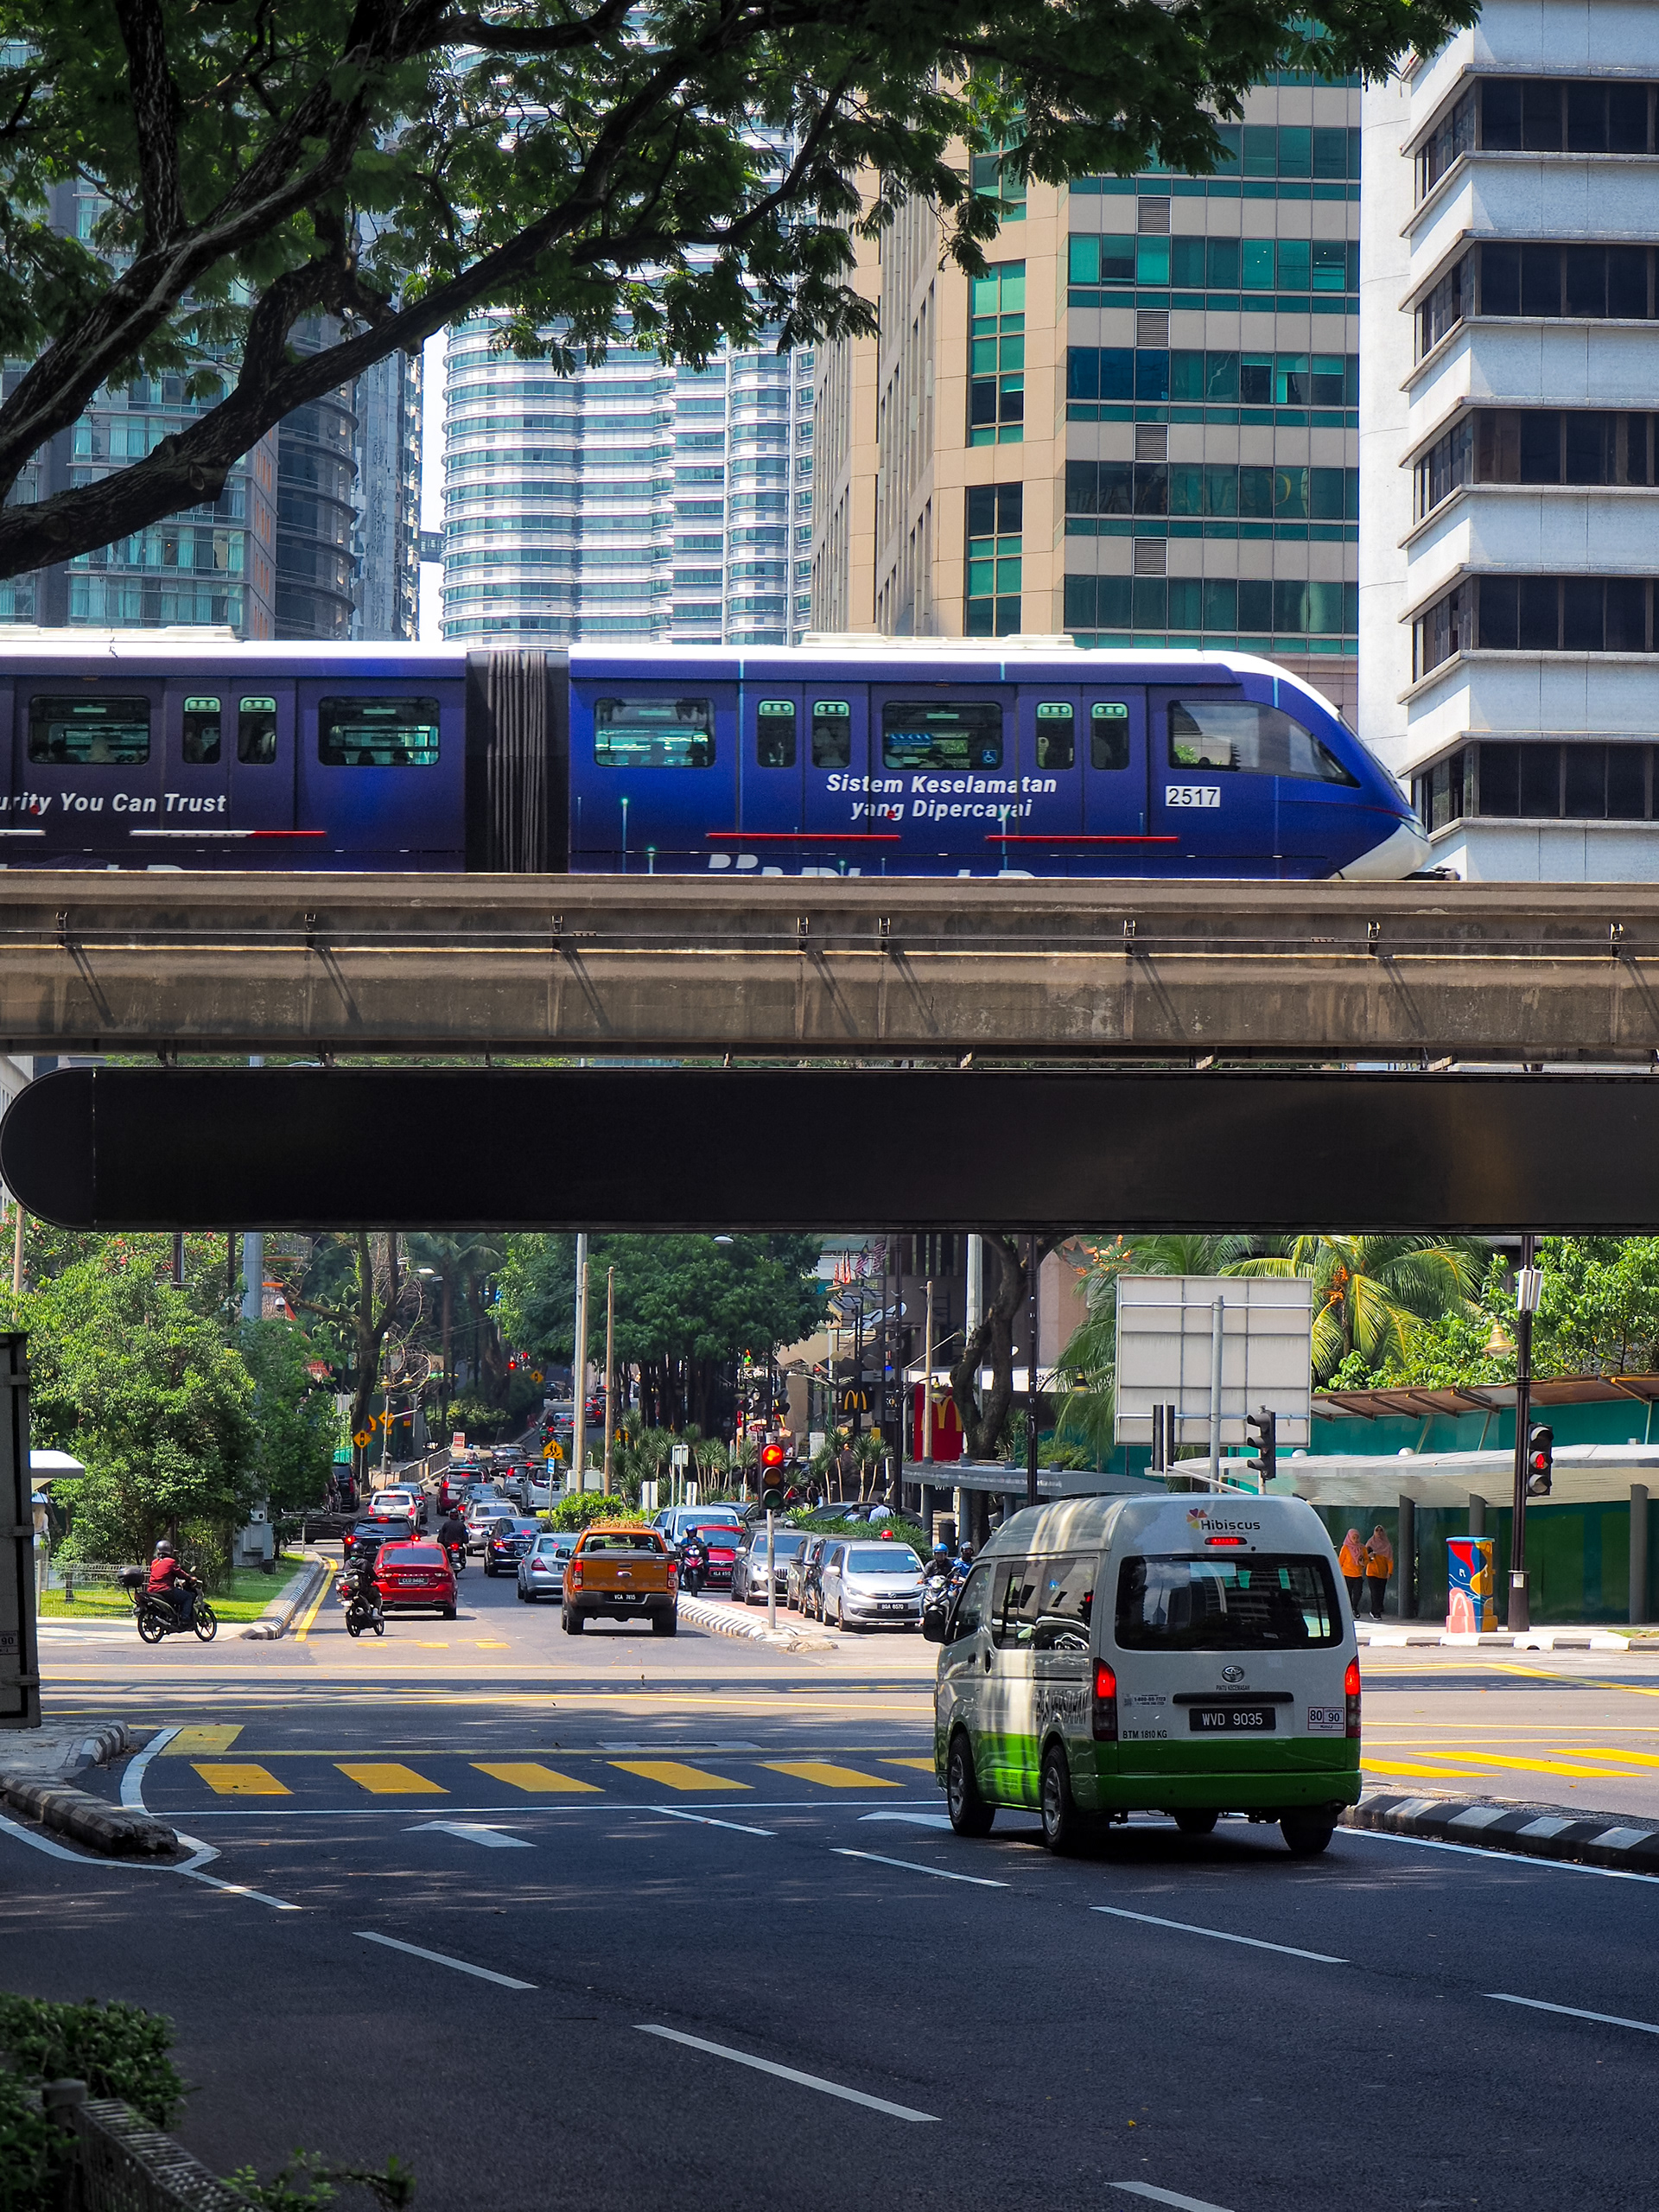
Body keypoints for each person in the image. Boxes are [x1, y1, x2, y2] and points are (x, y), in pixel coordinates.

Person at [146, 1541, 194, 1629]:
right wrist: (190, 1578)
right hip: (165, 1590)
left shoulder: (154, 1563)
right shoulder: (170, 1562)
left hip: (152, 1590)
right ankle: (184, 1619)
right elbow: (180, 1573)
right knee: (188, 1597)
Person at [1365, 1524, 1394, 1619]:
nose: (1379, 1532)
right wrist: (1370, 1556)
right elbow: (1364, 1557)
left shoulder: (1387, 1545)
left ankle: (1377, 1609)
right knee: (1375, 1593)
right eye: (1377, 1530)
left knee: (1380, 1593)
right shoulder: (1370, 1543)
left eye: (1381, 1530)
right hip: (1372, 1573)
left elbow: (1389, 1560)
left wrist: (1390, 1572)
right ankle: (1375, 1612)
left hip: (1382, 1573)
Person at [1338, 1528, 1367, 1612]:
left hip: (1358, 1574)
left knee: (1358, 1592)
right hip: (1347, 1574)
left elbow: (1366, 1560)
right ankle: (1349, 1609)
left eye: (1357, 1537)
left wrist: (1363, 1563)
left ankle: (1354, 1607)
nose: (1356, 1540)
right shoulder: (1345, 1548)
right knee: (1348, 1593)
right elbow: (1340, 1561)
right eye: (1353, 1538)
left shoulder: (1362, 1548)